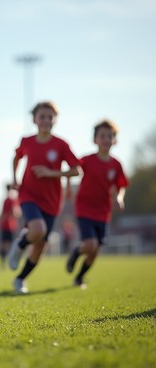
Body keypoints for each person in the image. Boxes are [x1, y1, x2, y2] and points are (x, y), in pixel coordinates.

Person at [8, 101, 79, 294]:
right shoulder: (27, 141)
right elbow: (16, 158)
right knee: (38, 229)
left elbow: (76, 170)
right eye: (42, 116)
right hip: (28, 194)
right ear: (35, 119)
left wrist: (52, 173)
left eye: (50, 116)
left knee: (39, 247)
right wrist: (15, 179)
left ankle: (20, 279)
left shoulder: (61, 144)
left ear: (55, 120)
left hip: (52, 201)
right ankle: (21, 244)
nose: (46, 120)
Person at [66, 119, 128, 288]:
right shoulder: (87, 160)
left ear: (115, 140)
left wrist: (119, 198)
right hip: (84, 207)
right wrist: (68, 189)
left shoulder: (116, 165)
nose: (106, 139)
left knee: (95, 252)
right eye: (102, 136)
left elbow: (120, 186)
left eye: (110, 136)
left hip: (103, 211)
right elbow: (73, 170)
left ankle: (79, 277)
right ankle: (76, 252)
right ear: (95, 140)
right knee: (90, 244)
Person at [0, 184, 22, 268]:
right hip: (9, 225)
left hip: (6, 225)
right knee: (9, 245)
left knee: (5, 245)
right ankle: (9, 262)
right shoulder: (12, 200)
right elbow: (15, 213)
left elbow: (3, 213)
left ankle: (3, 263)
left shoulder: (7, 200)